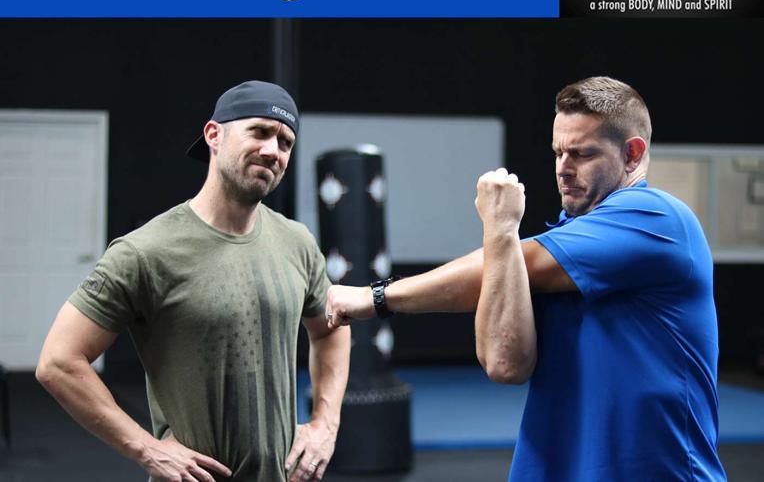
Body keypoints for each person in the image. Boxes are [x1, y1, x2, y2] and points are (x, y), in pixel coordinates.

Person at [326, 76, 726, 481]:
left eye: (582, 154)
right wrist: (501, 238)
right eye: (558, 153)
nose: (563, 169)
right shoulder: (569, 233)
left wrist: (375, 296)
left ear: (632, 154)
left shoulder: (656, 217)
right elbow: (504, 364)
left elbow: (498, 268)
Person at [36, 80, 351, 482]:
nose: (273, 150)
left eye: (285, 142)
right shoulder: (145, 252)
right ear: (214, 135)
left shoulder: (297, 241)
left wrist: (325, 425)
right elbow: (58, 362)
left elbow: (331, 328)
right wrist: (146, 449)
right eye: (259, 132)